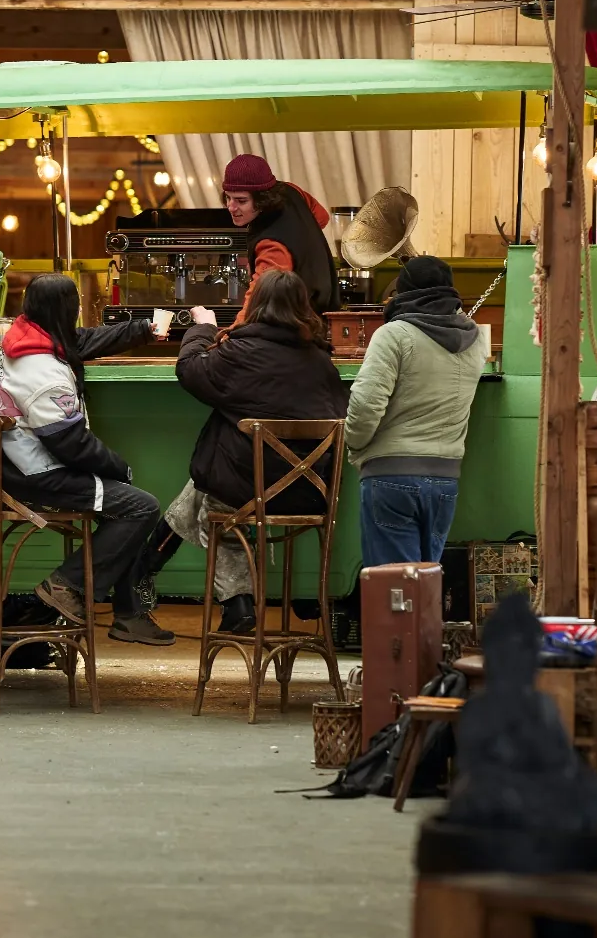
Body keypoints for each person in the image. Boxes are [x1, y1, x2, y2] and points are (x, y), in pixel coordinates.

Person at [138, 271, 348, 634]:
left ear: (255, 304)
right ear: (304, 307)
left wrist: (204, 328)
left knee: (215, 501)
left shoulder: (240, 352)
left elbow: (189, 370)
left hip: (246, 492)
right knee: (207, 482)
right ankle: (141, 573)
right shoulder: (320, 361)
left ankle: (235, 603)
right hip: (309, 494)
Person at [0, 274, 176, 645]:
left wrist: (143, 329)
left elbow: (83, 341)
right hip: (38, 474)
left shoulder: (29, 339)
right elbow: (70, 445)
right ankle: (66, 585)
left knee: (129, 505)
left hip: (20, 464)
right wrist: (120, 467)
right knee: (140, 508)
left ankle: (128, 613)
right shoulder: (41, 371)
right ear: (67, 310)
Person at [345, 255, 486, 567]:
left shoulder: (394, 335)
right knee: (423, 585)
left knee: (393, 589)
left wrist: (354, 445)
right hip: (446, 479)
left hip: (389, 477)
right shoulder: (477, 341)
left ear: (403, 293)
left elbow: (365, 405)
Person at [219, 153, 338, 321]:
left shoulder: (272, 245)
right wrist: (300, 247)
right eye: (228, 197)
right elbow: (321, 217)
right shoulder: (291, 191)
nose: (231, 207)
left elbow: (257, 301)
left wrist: (228, 337)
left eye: (241, 201)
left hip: (302, 325)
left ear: (262, 200)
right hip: (321, 307)